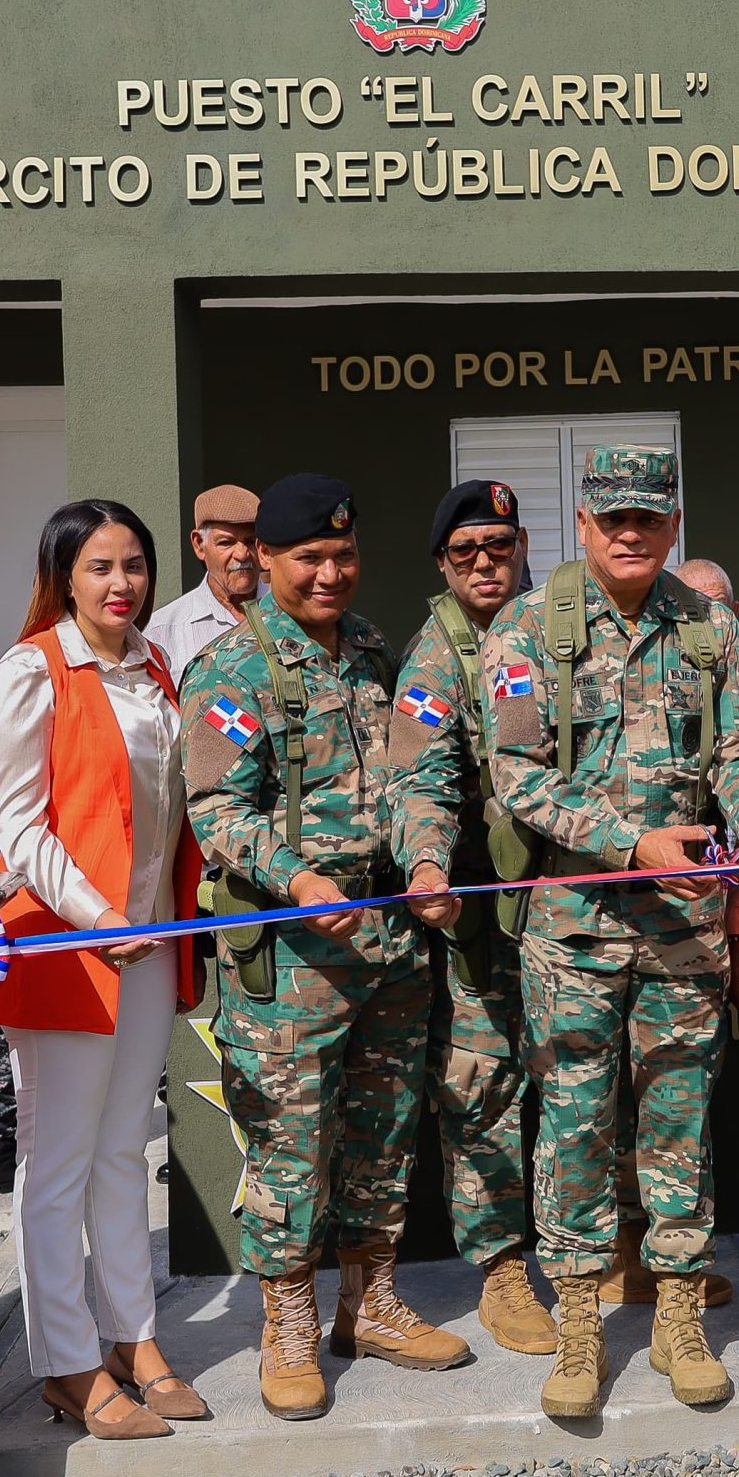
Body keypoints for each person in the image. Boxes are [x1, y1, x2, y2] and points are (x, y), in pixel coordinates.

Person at [481, 446, 739, 1419]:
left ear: (672, 523)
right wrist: (629, 841)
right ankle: (579, 1326)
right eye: (611, 518)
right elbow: (517, 776)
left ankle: (678, 1314)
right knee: (574, 1130)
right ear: (581, 524)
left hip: (684, 932)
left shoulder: (708, 628)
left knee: (677, 1124)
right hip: (573, 927)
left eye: (647, 519)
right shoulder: (528, 629)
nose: (628, 534)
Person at [184, 474, 467, 1423]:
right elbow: (219, 809)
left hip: (387, 939)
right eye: (309, 557)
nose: (330, 573)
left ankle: (371, 1301)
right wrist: (299, 880)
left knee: (384, 1133)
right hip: (295, 953)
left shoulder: (374, 653)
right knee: (292, 1146)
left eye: (343, 556)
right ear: (262, 560)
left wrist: (426, 862)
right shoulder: (233, 671)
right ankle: (289, 1321)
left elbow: (414, 773)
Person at [0, 499, 209, 1439]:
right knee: (59, 1161)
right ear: (63, 578)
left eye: (135, 566)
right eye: (101, 569)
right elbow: (19, 827)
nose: (123, 585)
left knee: (126, 1149)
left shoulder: (155, 667)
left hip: (148, 940)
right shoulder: (27, 673)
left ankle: (134, 1337)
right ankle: (66, 1361)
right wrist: (95, 916)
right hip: (70, 947)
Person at [387, 480, 559, 1356]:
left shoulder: (556, 634)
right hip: (477, 917)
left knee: (586, 1082)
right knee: (483, 1091)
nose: (485, 564)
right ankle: (501, 1275)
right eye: (465, 553)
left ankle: (603, 1256)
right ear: (442, 563)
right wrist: (423, 862)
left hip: (568, 905)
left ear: (524, 545)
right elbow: (417, 780)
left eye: (499, 546)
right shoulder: (434, 659)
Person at [144, 484, 261, 671]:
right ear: (199, 545)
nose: (242, 554)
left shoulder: (291, 613)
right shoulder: (162, 631)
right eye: (226, 542)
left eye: (251, 541)